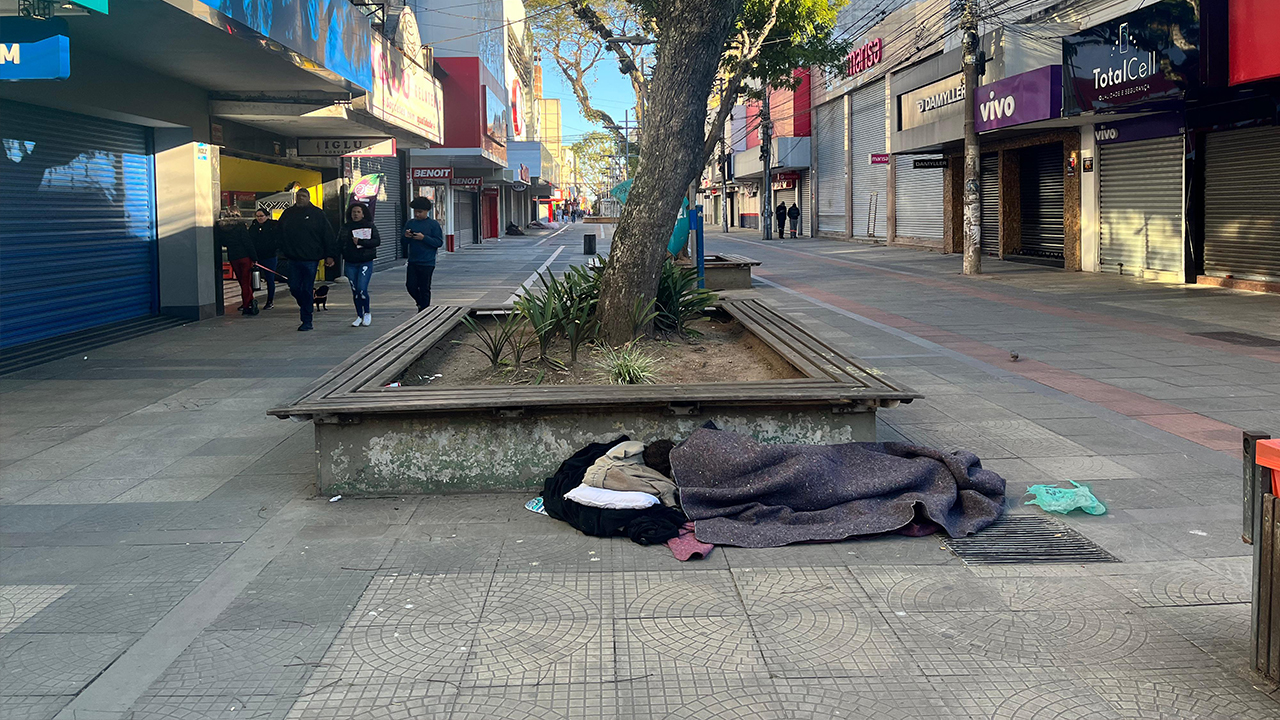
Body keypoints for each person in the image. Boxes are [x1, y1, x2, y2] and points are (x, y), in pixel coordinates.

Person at [277, 188, 337, 331]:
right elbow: (278, 232)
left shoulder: (317, 214)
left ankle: (307, 319)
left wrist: (330, 255)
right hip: (292, 258)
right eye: (298, 196)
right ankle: (305, 304)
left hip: (310, 258)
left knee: (307, 288)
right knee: (295, 287)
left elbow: (327, 235)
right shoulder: (288, 213)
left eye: (303, 196)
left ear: (308, 198)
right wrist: (280, 250)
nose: (300, 198)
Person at [339, 201, 381, 327]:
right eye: (353, 212)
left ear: (363, 214)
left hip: (365, 261)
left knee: (362, 288)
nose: (355, 214)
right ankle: (359, 315)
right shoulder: (345, 227)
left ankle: (367, 312)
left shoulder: (369, 226)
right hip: (350, 262)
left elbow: (377, 241)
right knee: (355, 290)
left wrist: (361, 242)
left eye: (358, 212)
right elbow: (339, 243)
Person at [403, 196, 444, 311]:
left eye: (420, 212)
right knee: (410, 286)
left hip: (427, 262)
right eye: (415, 212)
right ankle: (420, 303)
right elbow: (403, 242)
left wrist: (424, 238)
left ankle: (424, 310)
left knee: (424, 287)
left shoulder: (433, 224)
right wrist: (406, 237)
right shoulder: (410, 223)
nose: (417, 214)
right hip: (413, 261)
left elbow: (438, 242)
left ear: (427, 211)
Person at [216, 210, 257, 315]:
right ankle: (246, 304)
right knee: (246, 282)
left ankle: (248, 302)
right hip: (245, 257)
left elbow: (223, 242)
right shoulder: (240, 226)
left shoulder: (222, 228)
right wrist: (254, 257)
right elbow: (247, 241)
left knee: (241, 281)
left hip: (233, 257)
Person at [248, 208, 281, 309]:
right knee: (252, 279)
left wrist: (274, 248)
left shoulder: (273, 226)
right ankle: (249, 300)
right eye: (257, 216)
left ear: (267, 216)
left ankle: (270, 301)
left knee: (270, 279)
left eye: (261, 216)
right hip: (257, 256)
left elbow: (277, 239)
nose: (259, 218)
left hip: (269, 256)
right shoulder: (253, 227)